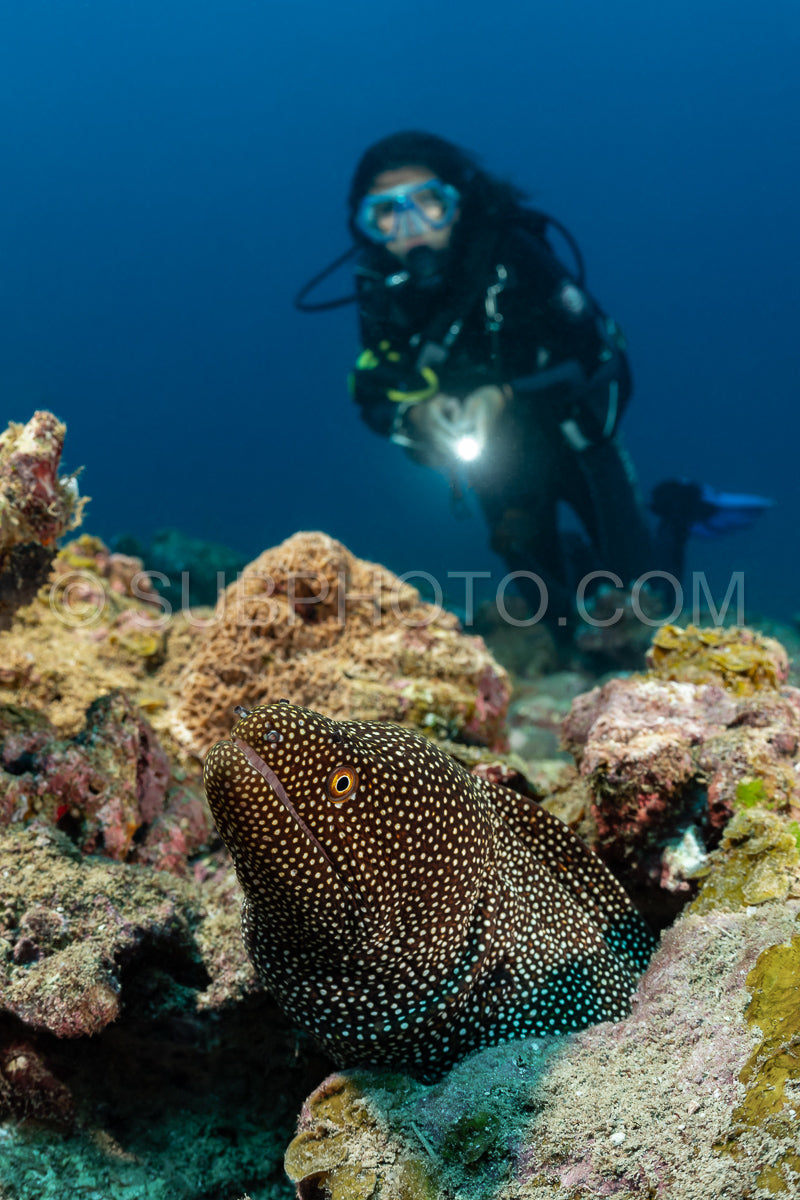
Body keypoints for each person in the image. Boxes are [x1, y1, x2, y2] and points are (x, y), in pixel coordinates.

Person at [296, 131, 770, 636]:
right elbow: (370, 391)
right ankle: (578, 571)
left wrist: (504, 396)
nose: (411, 227)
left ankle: (678, 511)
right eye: (386, 212)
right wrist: (414, 415)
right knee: (559, 623)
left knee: (644, 605)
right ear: (365, 224)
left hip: (577, 442)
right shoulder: (380, 288)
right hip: (499, 465)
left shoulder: (512, 252)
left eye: (429, 202)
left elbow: (597, 358)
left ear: (460, 202)